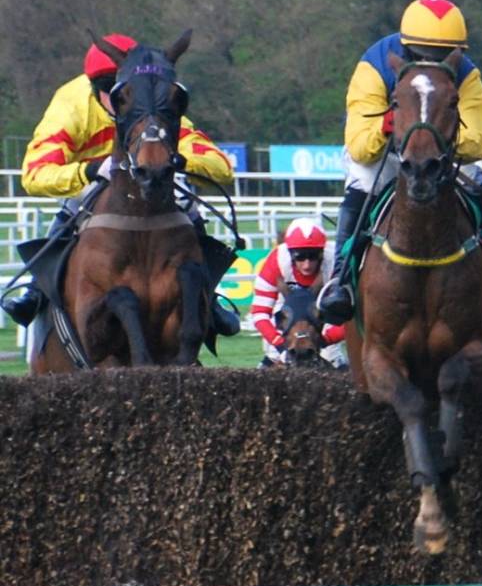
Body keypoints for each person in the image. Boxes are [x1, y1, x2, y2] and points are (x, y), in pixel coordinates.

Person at [317, 0, 482, 325]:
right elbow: (359, 145)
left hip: (440, 154)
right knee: (363, 181)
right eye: (425, 54)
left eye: (444, 55)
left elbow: (479, 141)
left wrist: (440, 139)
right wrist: (387, 126)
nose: (435, 62)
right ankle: (340, 282)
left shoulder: (466, 75)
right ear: (407, 49)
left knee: (477, 179)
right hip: (386, 154)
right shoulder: (373, 67)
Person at [3, 33, 242, 336]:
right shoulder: (70, 106)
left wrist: (176, 160)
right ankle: (36, 292)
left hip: (151, 180)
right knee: (72, 209)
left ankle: (209, 299)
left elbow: (220, 167)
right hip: (93, 184)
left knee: (186, 206)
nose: (113, 100)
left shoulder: (155, 104)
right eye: (105, 90)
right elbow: (34, 175)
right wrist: (88, 171)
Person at [251, 218, 346, 367]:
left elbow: (353, 318)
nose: (307, 265)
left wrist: (326, 340)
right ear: (290, 254)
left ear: (322, 252)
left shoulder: (337, 263)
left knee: (331, 356)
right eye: (300, 257)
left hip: (324, 309)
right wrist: (279, 345)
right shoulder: (276, 260)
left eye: (313, 256)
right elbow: (260, 312)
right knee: (275, 356)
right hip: (286, 306)